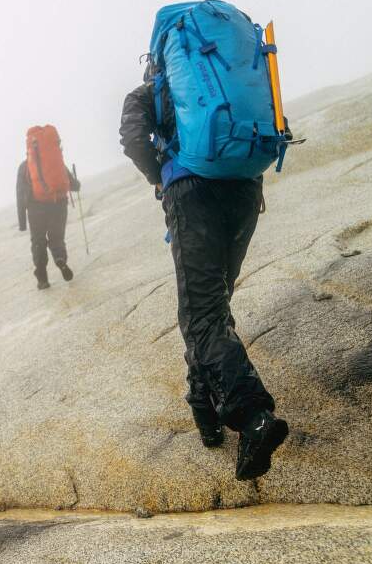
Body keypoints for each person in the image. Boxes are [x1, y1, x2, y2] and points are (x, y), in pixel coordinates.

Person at [119, 69, 289, 481]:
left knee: (202, 313)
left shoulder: (148, 92)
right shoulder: (233, 77)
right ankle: (204, 410)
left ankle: (253, 417)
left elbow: (132, 137)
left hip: (193, 194)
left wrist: (159, 177)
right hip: (246, 190)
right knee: (213, 306)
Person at [16, 125, 80, 290]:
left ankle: (42, 277)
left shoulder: (24, 168)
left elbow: (20, 195)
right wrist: (76, 184)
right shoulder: (54, 162)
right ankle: (60, 259)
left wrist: (22, 222)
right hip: (58, 204)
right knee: (56, 238)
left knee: (38, 241)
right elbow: (72, 184)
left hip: (36, 209)